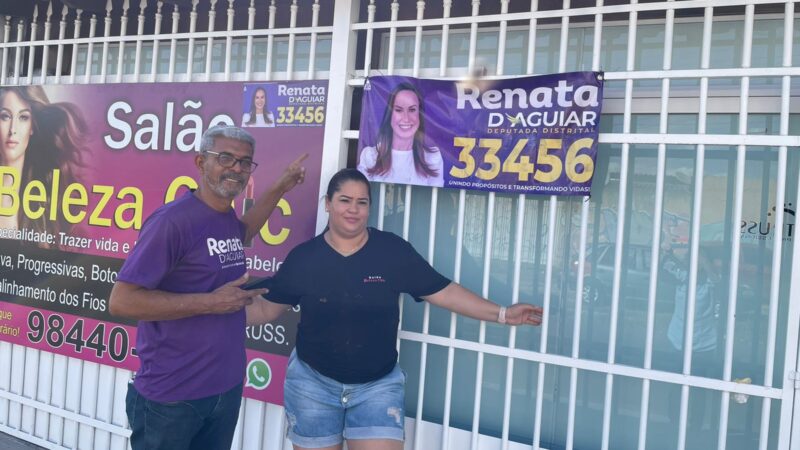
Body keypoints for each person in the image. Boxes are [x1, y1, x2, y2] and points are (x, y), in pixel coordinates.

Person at [246, 168, 543, 450]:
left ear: (369, 208)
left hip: (376, 387)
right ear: (328, 204)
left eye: (361, 202)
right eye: (345, 200)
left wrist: (502, 314)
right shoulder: (304, 258)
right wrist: (206, 307)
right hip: (313, 385)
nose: (353, 209)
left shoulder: (391, 251)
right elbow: (265, 311)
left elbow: (443, 291)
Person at [108, 125, 307, 450]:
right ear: (201, 163)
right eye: (225, 158)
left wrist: (280, 187)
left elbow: (244, 230)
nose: (236, 168)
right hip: (172, 398)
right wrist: (209, 303)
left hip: (224, 391)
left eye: (245, 162)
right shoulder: (172, 222)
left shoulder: (226, 219)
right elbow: (121, 301)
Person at [0, 86, 86, 244]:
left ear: (32, 126)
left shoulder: (43, 200)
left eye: (23, 117)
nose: (13, 130)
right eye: (5, 116)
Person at [357, 82, 444, 187]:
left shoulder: (433, 157)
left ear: (419, 115)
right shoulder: (369, 156)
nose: (406, 118)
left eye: (412, 110)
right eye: (398, 110)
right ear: (390, 115)